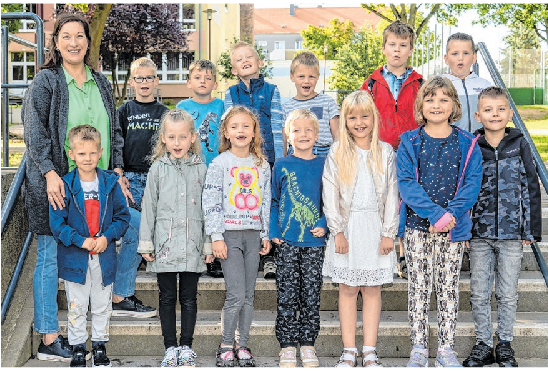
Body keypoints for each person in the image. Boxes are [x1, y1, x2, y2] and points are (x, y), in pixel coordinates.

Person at [22, 13, 126, 362]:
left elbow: (113, 132)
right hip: (58, 187)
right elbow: (35, 133)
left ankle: (113, 300)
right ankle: (50, 336)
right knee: (50, 257)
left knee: (132, 227)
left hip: (99, 185)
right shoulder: (46, 81)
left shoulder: (100, 81)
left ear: (87, 41)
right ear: (56, 42)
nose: (73, 42)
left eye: (79, 36)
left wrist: (117, 170)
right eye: (65, 36)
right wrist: (51, 173)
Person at [396, 76, 483, 367]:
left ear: (455, 105)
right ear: (421, 104)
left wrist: (449, 217)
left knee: (448, 288)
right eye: (430, 99)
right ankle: (418, 347)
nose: (436, 104)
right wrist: (434, 215)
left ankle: (446, 348)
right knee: (419, 287)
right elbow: (407, 184)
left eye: (444, 99)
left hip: (453, 230)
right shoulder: (410, 141)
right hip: (417, 228)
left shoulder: (468, 143)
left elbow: (471, 185)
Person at [463, 87, 542, 368]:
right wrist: (464, 228)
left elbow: (531, 186)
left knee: (508, 292)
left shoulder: (520, 144)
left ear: (510, 113)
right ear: (478, 115)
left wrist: (530, 229)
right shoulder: (472, 146)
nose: (494, 114)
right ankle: (483, 343)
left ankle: (505, 343)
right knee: (479, 292)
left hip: (511, 233)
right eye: (488, 109)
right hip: (479, 233)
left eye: (500, 109)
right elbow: (465, 188)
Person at [323, 91, 399, 367]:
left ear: (374, 118)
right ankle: (349, 350)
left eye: (364, 116)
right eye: (352, 117)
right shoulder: (337, 152)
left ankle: (369, 350)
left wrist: (389, 232)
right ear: (344, 120)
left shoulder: (385, 151)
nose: (359, 122)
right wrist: (337, 230)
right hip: (348, 228)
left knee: (372, 289)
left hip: (376, 228)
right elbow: (329, 194)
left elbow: (393, 193)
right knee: (347, 288)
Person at [137, 109, 214, 367]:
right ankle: (170, 347)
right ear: (164, 139)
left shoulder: (201, 169)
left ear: (193, 138)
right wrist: (146, 242)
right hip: (165, 245)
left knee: (190, 297)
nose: (178, 143)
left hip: (192, 244)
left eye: (183, 137)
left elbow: (208, 209)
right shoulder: (158, 169)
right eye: (172, 137)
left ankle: (187, 347)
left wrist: (208, 243)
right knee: (167, 297)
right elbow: (148, 207)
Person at [49, 125, 130, 367]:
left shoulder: (110, 183)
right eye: (81, 153)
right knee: (77, 304)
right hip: (76, 256)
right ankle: (77, 347)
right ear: (71, 154)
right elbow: (58, 225)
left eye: (92, 153)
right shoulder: (65, 185)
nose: (88, 158)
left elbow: (122, 217)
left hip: (103, 255)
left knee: (102, 303)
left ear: (101, 152)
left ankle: (99, 345)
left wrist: (107, 237)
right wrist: (80, 240)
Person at [202, 105, 272, 367]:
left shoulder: (262, 165)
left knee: (249, 294)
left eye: (246, 126)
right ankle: (226, 344)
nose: (240, 131)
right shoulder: (220, 163)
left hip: (253, 235)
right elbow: (210, 201)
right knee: (235, 295)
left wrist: (266, 234)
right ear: (226, 133)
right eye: (235, 127)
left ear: (254, 132)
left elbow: (265, 201)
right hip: (229, 236)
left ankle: (243, 345)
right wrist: (216, 236)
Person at [360, 20, 423, 280]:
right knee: (382, 200)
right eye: (392, 45)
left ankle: (405, 252)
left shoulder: (420, 83)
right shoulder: (372, 83)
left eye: (403, 46)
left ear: (410, 50)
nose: (397, 50)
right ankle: (382, 250)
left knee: (407, 200)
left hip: (411, 150)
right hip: (380, 150)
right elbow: (361, 117)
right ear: (384, 48)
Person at [270, 109, 327, 368]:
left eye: (308, 130)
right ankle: (287, 345)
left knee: (311, 293)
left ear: (316, 135)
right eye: (297, 130)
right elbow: (274, 201)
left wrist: (324, 223)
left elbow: (330, 201)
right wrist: (274, 232)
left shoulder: (325, 164)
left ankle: (308, 343)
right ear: (288, 135)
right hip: (287, 242)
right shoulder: (281, 165)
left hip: (314, 243)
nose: (303, 135)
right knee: (287, 294)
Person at [113, 57, 168, 317]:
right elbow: (116, 144)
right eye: (139, 78)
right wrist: (119, 173)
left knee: (148, 234)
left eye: (149, 78)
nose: (144, 82)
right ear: (132, 81)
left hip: (156, 178)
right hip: (130, 179)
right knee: (135, 232)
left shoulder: (165, 113)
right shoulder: (124, 111)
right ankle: (120, 295)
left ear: (156, 81)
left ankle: (124, 294)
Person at [223, 40, 282, 279]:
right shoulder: (231, 93)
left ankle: (269, 257)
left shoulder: (272, 91)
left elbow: (278, 126)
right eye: (239, 59)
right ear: (234, 69)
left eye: (249, 57)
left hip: (266, 160)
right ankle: (243, 252)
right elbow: (226, 126)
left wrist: (279, 160)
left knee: (266, 205)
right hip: (240, 164)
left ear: (259, 63)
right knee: (244, 204)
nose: (245, 60)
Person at [176, 59, 225, 279]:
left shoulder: (221, 106)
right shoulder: (182, 107)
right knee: (191, 212)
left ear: (215, 83)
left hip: (215, 169)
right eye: (198, 77)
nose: (203, 81)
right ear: (189, 82)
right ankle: (192, 255)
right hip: (189, 168)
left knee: (213, 212)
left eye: (208, 78)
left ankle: (213, 258)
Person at [282, 52, 340, 158]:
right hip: (296, 153)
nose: (306, 81)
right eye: (301, 76)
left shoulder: (327, 102)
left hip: (324, 154)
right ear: (292, 77)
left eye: (311, 77)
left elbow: (338, 136)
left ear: (318, 77)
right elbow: (284, 140)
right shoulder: (286, 107)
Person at [442, 33, 492, 133]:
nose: (460, 58)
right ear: (446, 59)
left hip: (480, 144)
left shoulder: (485, 86)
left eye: (466, 53)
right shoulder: (440, 86)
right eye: (455, 54)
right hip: (450, 144)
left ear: (474, 58)